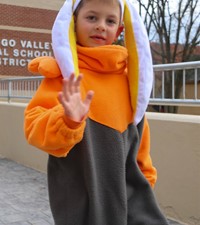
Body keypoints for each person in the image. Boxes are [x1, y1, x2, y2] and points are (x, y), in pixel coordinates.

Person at [24, 0, 169, 224]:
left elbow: (139, 140)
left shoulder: (129, 80)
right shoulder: (62, 76)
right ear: (73, 23)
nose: (101, 26)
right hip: (82, 204)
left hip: (131, 201)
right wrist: (68, 120)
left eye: (110, 21)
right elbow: (33, 129)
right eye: (92, 18)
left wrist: (147, 180)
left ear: (120, 30)